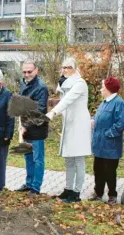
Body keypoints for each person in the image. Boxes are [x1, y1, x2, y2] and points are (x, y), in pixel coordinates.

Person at [46, 57, 92, 203]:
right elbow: (64, 101)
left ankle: (76, 193)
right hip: (69, 125)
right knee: (69, 159)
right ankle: (68, 189)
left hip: (79, 125)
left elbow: (67, 100)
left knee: (78, 159)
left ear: (75, 69)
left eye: (69, 67)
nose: (65, 70)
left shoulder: (80, 83)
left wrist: (53, 112)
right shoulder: (64, 85)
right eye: (64, 67)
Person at [90, 77, 124, 204]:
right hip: (99, 144)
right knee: (98, 169)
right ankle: (98, 193)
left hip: (110, 145)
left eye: (103, 88)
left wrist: (108, 134)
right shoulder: (104, 102)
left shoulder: (118, 102)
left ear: (109, 89)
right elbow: (99, 116)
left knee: (109, 172)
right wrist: (93, 120)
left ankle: (112, 195)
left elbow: (120, 124)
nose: (101, 90)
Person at [15, 59, 49, 196]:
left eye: (29, 71)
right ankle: (28, 183)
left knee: (37, 159)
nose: (27, 74)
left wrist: (25, 125)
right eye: (24, 72)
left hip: (37, 130)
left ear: (36, 71)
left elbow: (39, 112)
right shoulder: (23, 84)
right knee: (28, 158)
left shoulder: (41, 88)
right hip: (25, 129)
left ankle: (35, 187)